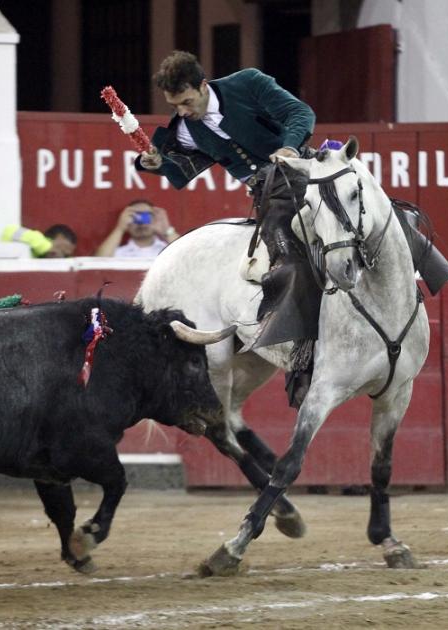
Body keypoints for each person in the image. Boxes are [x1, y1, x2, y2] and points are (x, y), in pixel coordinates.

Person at [136, 50, 318, 406]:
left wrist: (289, 146)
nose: (183, 112)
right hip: (268, 199)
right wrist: (155, 163)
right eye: (176, 106)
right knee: (275, 257)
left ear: (203, 85)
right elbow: (179, 171)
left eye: (187, 101)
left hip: (305, 176)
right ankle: (302, 350)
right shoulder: (186, 128)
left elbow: (301, 113)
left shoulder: (247, 83)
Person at [94, 199, 179, 258]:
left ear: (155, 218)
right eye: (135, 216)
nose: (141, 223)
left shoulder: (168, 251)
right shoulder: (119, 253)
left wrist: (167, 230)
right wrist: (120, 229)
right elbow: (99, 263)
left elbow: (187, 254)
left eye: (146, 216)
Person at [0, 223, 78, 258]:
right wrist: (47, 247)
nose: (60, 255)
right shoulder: (36, 242)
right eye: (62, 250)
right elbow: (9, 231)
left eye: (65, 255)